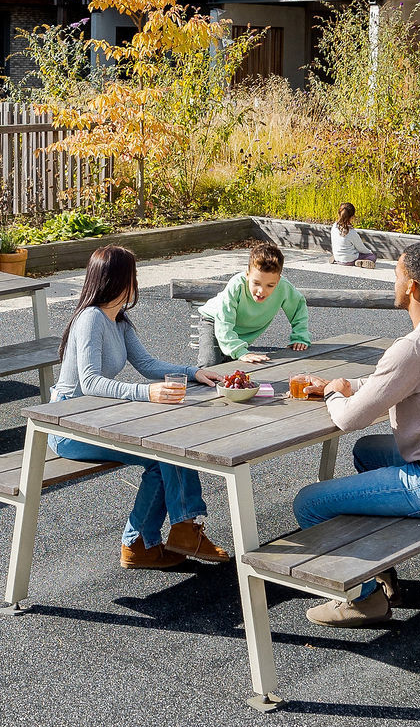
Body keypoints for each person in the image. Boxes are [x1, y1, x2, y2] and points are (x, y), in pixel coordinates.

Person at [285, 241, 420, 626]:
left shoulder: (413, 347)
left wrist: (333, 392)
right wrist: (349, 382)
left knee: (309, 503)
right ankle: (380, 566)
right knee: (368, 451)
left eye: (396, 276)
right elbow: (401, 381)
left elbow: (349, 420)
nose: (393, 283)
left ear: (412, 286)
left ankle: (364, 599)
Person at [48, 246, 232, 569]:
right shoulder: (90, 319)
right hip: (68, 425)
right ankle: (165, 534)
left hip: (96, 419)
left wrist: (193, 372)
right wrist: (148, 393)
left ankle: (146, 542)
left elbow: (147, 363)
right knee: (162, 452)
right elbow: (90, 383)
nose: (137, 281)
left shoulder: (118, 321)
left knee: (168, 447)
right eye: (132, 275)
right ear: (117, 279)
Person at [196, 241, 311, 366]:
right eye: (256, 283)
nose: (261, 291)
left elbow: (298, 307)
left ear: (278, 280)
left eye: (270, 285)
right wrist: (239, 351)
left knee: (234, 368)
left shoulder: (284, 287)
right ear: (247, 275)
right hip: (215, 320)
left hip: (240, 331)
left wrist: (300, 335)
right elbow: (224, 322)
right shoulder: (237, 285)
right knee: (210, 365)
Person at [331, 202, 378, 267]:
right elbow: (361, 248)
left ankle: (337, 257)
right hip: (349, 260)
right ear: (352, 217)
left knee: (344, 250)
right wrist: (370, 252)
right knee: (372, 256)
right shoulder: (351, 232)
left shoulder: (334, 227)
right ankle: (359, 262)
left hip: (338, 257)